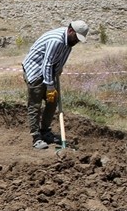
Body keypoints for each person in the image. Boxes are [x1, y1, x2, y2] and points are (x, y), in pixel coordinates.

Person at [22, 20, 88, 150]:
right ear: (70, 31)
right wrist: (50, 86)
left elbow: (60, 59)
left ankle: (45, 131)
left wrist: (58, 71)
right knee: (35, 104)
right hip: (35, 70)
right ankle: (36, 137)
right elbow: (46, 63)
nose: (77, 41)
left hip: (49, 71)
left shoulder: (69, 42)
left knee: (52, 101)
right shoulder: (56, 40)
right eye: (76, 37)